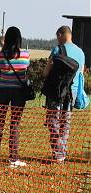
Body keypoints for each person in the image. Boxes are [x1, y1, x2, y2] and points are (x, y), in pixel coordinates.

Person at [43, 26, 85, 163]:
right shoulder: (81, 52)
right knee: (65, 124)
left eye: (57, 36)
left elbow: (46, 72)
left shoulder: (57, 49)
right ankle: (62, 153)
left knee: (53, 122)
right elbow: (81, 75)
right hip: (71, 93)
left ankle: (58, 153)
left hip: (56, 92)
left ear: (61, 34)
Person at [0, 26, 30, 167]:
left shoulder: (0, 55)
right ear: (19, 39)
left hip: (2, 92)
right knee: (15, 124)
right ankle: (13, 158)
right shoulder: (25, 55)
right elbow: (26, 71)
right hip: (19, 93)